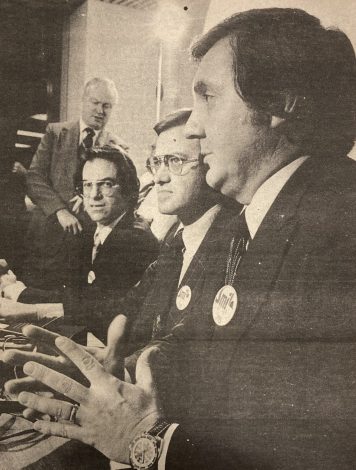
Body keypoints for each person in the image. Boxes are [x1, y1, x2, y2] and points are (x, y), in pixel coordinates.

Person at [4, 9, 356, 467]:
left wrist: (142, 437)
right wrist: (120, 376)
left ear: (281, 103)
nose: (193, 126)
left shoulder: (338, 227)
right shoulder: (262, 217)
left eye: (208, 96)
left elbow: (320, 451)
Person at [1, 145, 158, 340]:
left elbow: (91, 305)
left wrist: (22, 295)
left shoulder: (133, 239)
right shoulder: (97, 227)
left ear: (128, 188)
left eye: (106, 184)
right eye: (87, 185)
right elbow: (73, 289)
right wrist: (19, 288)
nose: (94, 195)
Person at [24, 77, 129, 289]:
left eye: (107, 105)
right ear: (83, 101)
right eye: (95, 102)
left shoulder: (116, 146)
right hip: (47, 237)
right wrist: (60, 211)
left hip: (86, 242)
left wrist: (88, 195)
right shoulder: (55, 133)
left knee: (72, 307)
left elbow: (123, 192)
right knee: (30, 299)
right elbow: (34, 177)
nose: (100, 110)